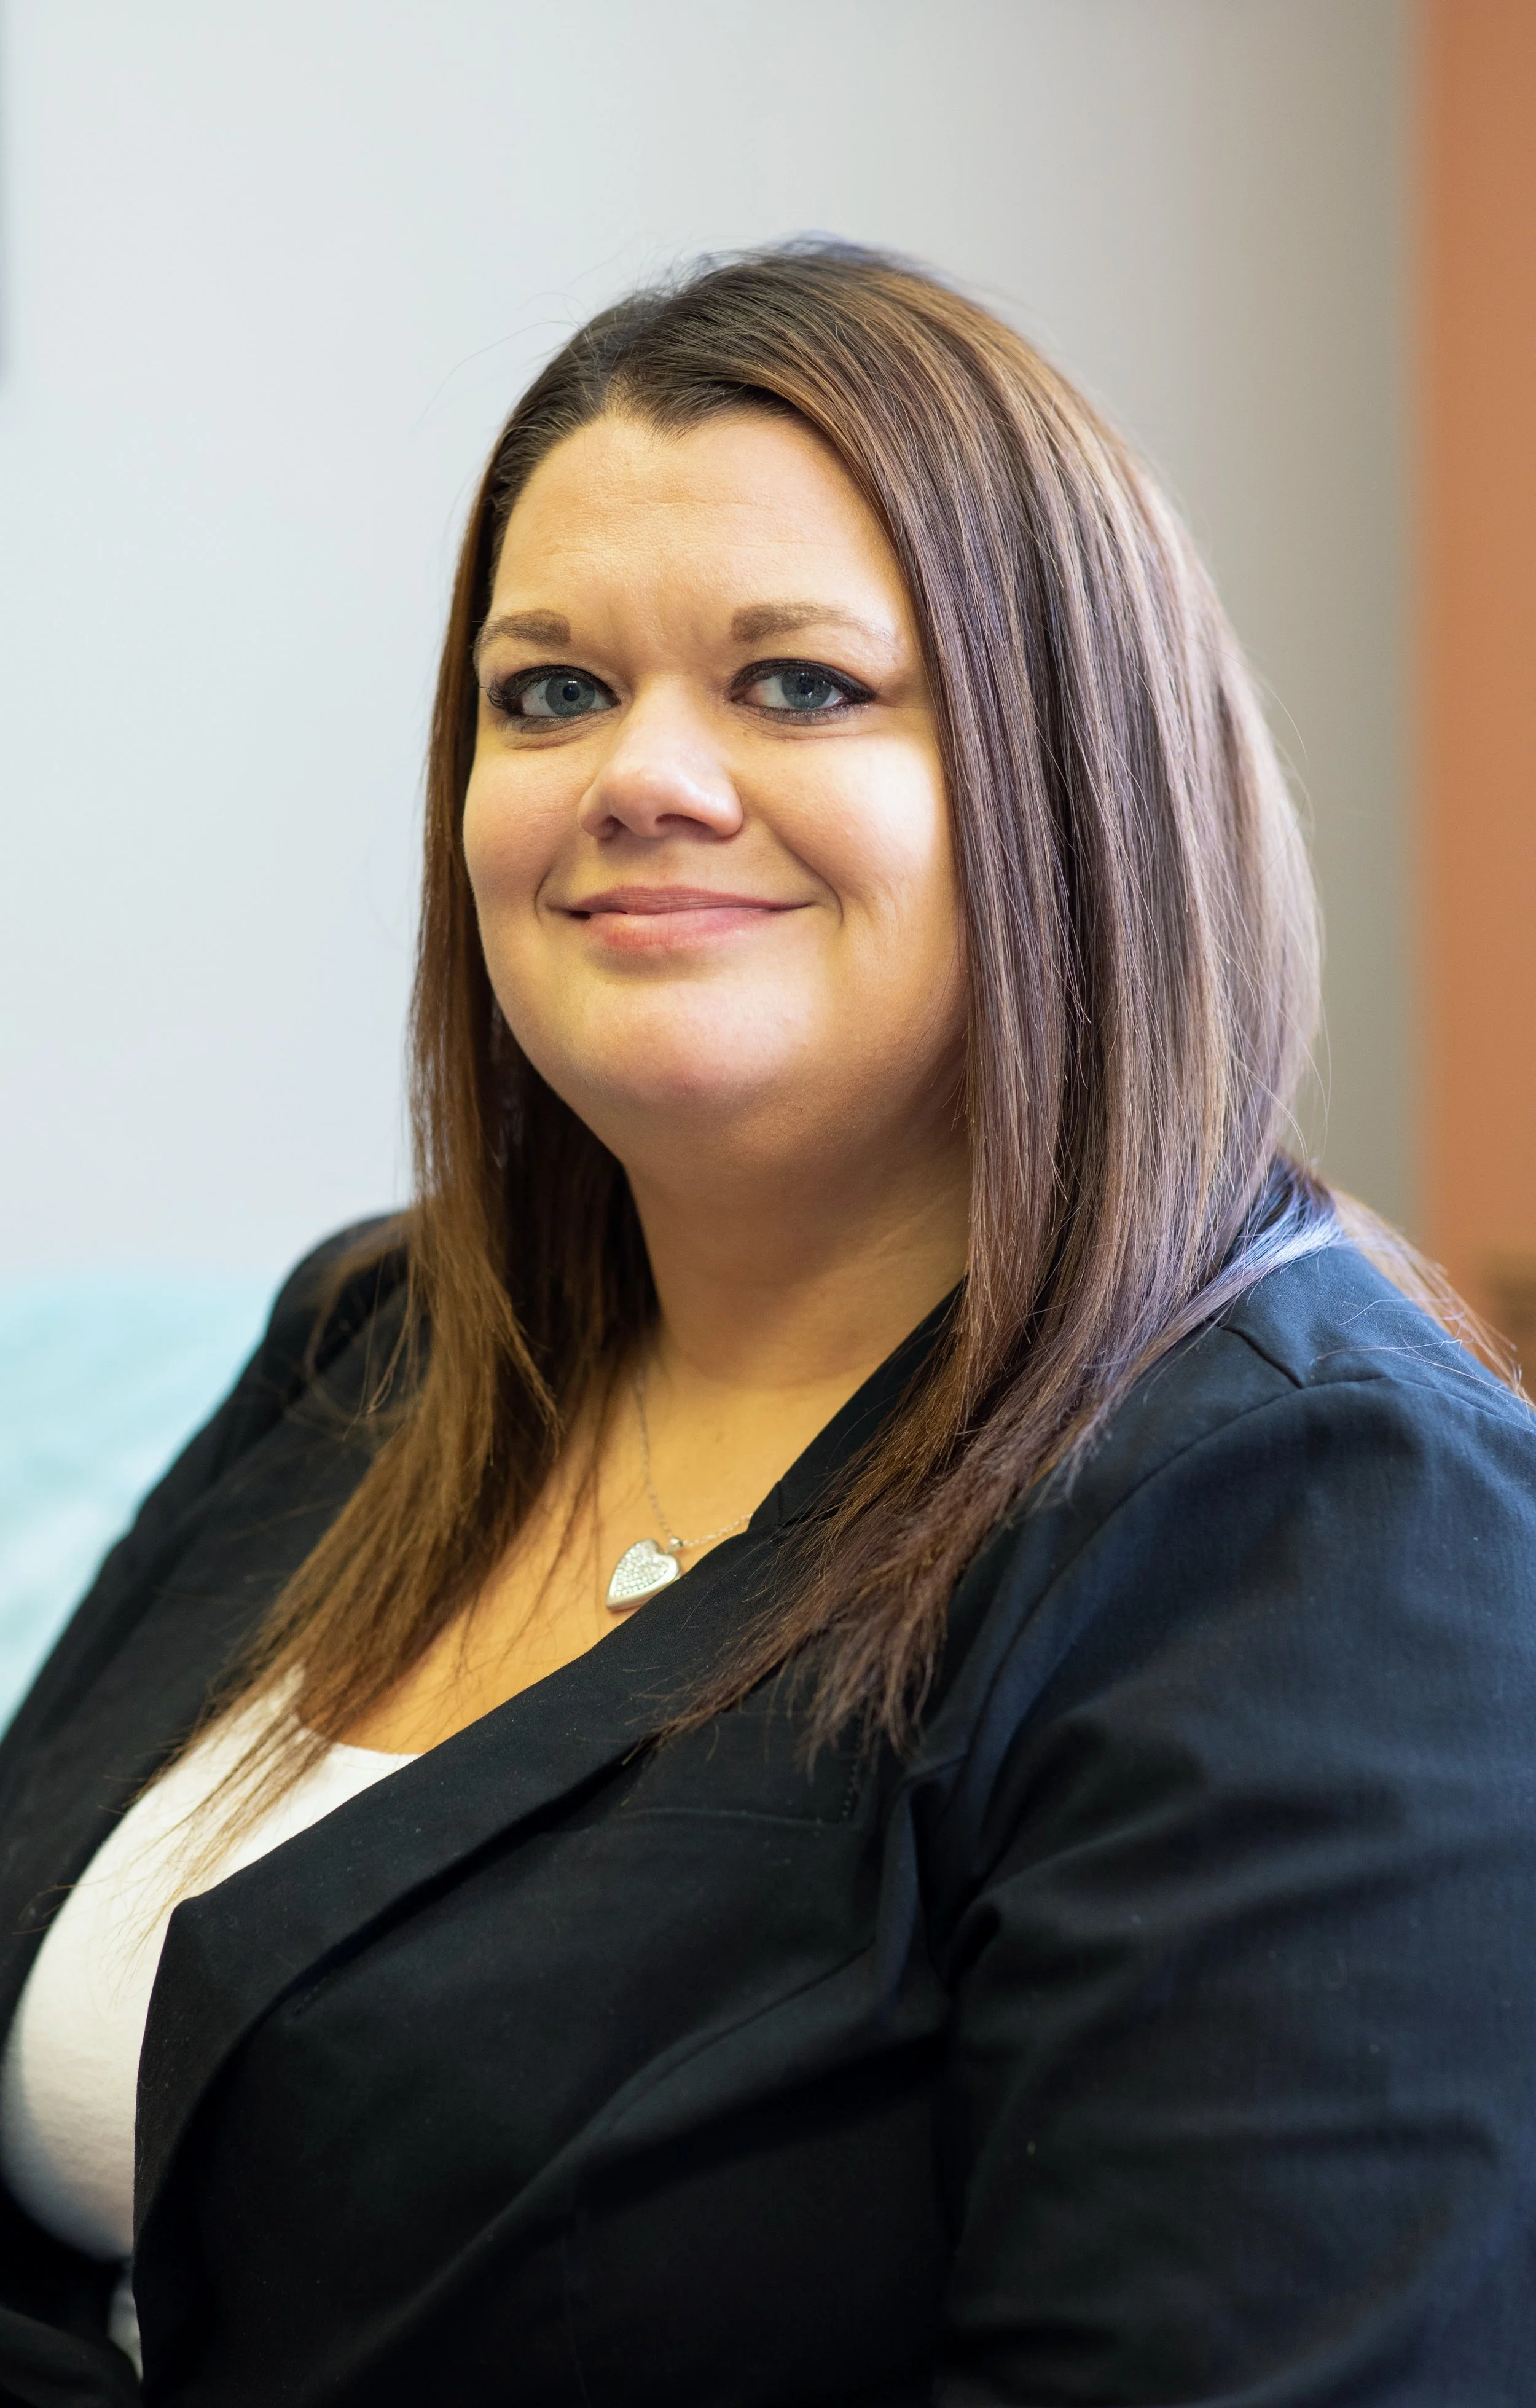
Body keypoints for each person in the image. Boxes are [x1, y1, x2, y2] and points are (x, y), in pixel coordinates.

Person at [2, 240, 1534, 2408]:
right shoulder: (379, 1343)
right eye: (548, 692)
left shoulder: (1324, 1521)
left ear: (1066, 778)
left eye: (798, 683)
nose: (643, 776)